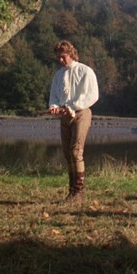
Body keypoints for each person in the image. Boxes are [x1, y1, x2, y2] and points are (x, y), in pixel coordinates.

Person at [48, 40, 100, 203]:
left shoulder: (85, 71)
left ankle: (79, 192)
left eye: (63, 56)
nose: (60, 60)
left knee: (76, 152)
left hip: (81, 113)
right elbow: (54, 96)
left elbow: (92, 95)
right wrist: (54, 107)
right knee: (67, 153)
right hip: (65, 116)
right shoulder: (58, 75)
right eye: (58, 57)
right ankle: (71, 191)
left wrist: (73, 106)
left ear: (71, 54)